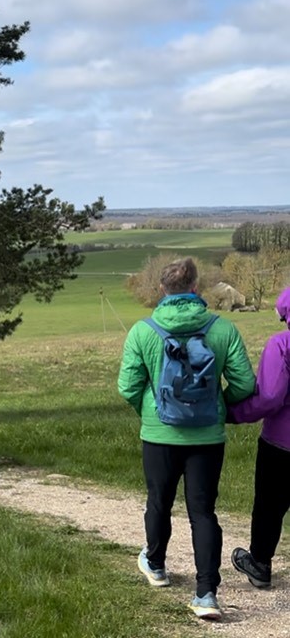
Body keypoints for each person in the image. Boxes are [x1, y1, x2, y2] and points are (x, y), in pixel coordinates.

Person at [117, 257, 254, 621]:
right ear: (196, 289)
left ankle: (157, 565)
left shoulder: (143, 331)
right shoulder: (222, 330)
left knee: (159, 502)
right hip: (208, 436)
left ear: (162, 290)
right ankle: (207, 594)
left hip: (159, 434)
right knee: (203, 512)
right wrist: (218, 407)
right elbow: (244, 384)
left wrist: (149, 411)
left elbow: (128, 386)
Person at [226, 286, 290, 590]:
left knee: (269, 505)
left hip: (281, 443)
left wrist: (232, 413)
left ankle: (260, 563)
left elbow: (269, 398)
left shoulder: (281, 345)